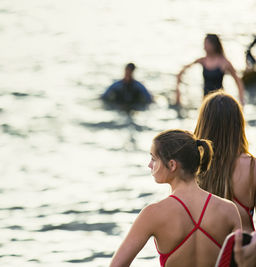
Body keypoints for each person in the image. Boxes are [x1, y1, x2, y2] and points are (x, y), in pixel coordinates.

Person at [110, 129, 241, 267]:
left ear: (172, 165)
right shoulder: (228, 209)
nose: (149, 165)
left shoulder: (152, 214)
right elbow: (244, 262)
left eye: (154, 159)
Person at [194, 91, 256, 232]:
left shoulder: (192, 165)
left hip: (208, 249)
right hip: (242, 248)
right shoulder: (252, 167)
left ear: (203, 124)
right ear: (239, 124)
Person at [175, 34, 245, 106]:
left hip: (220, 102)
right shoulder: (203, 60)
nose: (204, 47)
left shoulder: (224, 62)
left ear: (213, 45)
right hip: (205, 101)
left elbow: (238, 81)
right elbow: (181, 72)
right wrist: (178, 93)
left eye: (206, 44)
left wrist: (241, 100)